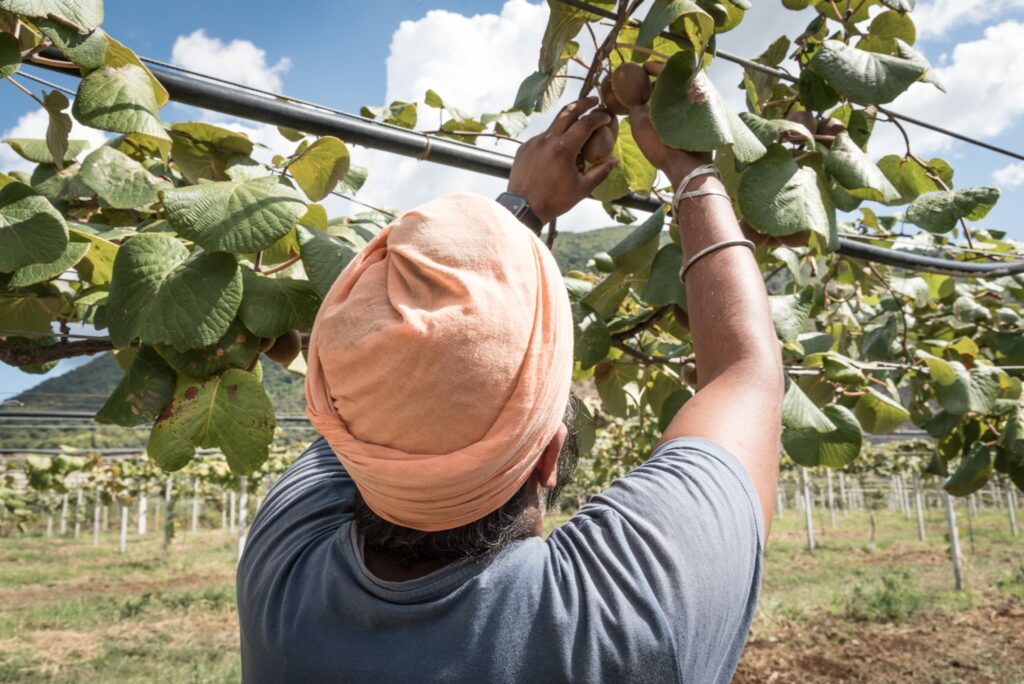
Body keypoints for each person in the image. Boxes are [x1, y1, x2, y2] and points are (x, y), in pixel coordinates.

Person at [236, 94, 784, 683]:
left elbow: (394, 373)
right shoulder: (625, 617)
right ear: (549, 457)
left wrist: (521, 207)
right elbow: (743, 372)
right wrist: (689, 164)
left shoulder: (278, 573)